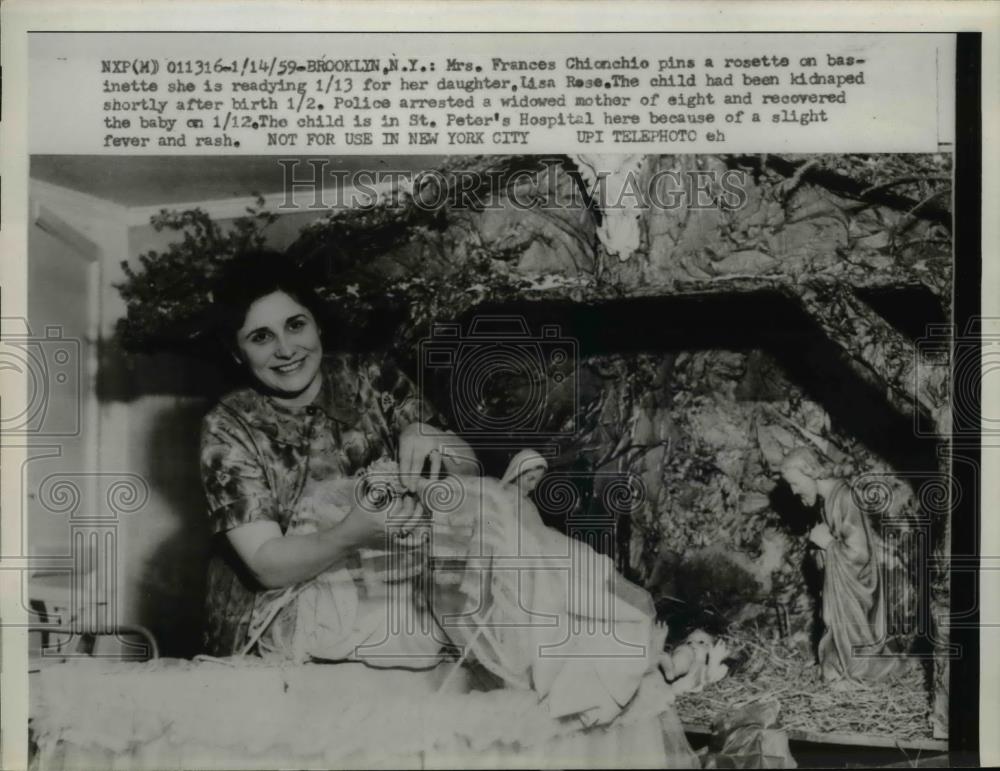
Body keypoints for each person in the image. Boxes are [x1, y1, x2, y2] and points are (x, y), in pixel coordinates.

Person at [199, 250, 477, 663]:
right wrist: (350, 535)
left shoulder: (371, 376)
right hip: (282, 615)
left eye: (296, 325)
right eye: (261, 337)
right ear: (237, 353)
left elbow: (469, 475)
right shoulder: (228, 425)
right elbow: (265, 565)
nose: (286, 349)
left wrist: (428, 434)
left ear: (317, 324)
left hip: (396, 588)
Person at [779, 447, 901, 683]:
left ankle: (857, 671)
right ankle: (840, 668)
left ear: (811, 472)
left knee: (851, 652)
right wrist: (823, 551)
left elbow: (860, 554)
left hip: (856, 589)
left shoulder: (844, 497)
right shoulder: (828, 500)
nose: (794, 492)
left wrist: (828, 546)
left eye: (795, 483)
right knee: (834, 650)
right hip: (843, 590)